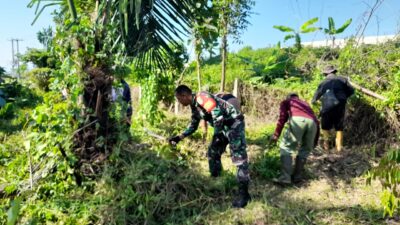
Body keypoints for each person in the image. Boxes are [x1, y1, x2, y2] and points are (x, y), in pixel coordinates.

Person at [168, 85, 251, 208]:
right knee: (212, 152)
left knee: (239, 159)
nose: (179, 102)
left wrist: (217, 134)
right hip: (222, 127)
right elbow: (193, 125)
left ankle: (244, 195)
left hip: (234, 124)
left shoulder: (202, 97)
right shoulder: (194, 106)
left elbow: (217, 114)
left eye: (179, 99)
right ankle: (216, 179)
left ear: (184, 96)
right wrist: (179, 137)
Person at [271, 93, 319, 185]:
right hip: (313, 123)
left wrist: (276, 134)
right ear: (298, 98)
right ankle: (297, 177)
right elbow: (316, 121)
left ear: (288, 97)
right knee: (305, 150)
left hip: (298, 121)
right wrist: (315, 140)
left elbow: (282, 118)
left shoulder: (287, 101)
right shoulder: (305, 103)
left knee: (286, 147)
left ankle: (285, 178)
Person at [311, 65, 354, 151]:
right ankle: (339, 148)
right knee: (339, 125)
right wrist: (344, 97)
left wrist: (314, 101)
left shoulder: (323, 83)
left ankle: (326, 147)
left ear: (325, 74)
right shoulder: (343, 79)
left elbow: (315, 97)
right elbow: (351, 91)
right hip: (340, 103)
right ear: (334, 72)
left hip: (327, 104)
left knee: (325, 125)